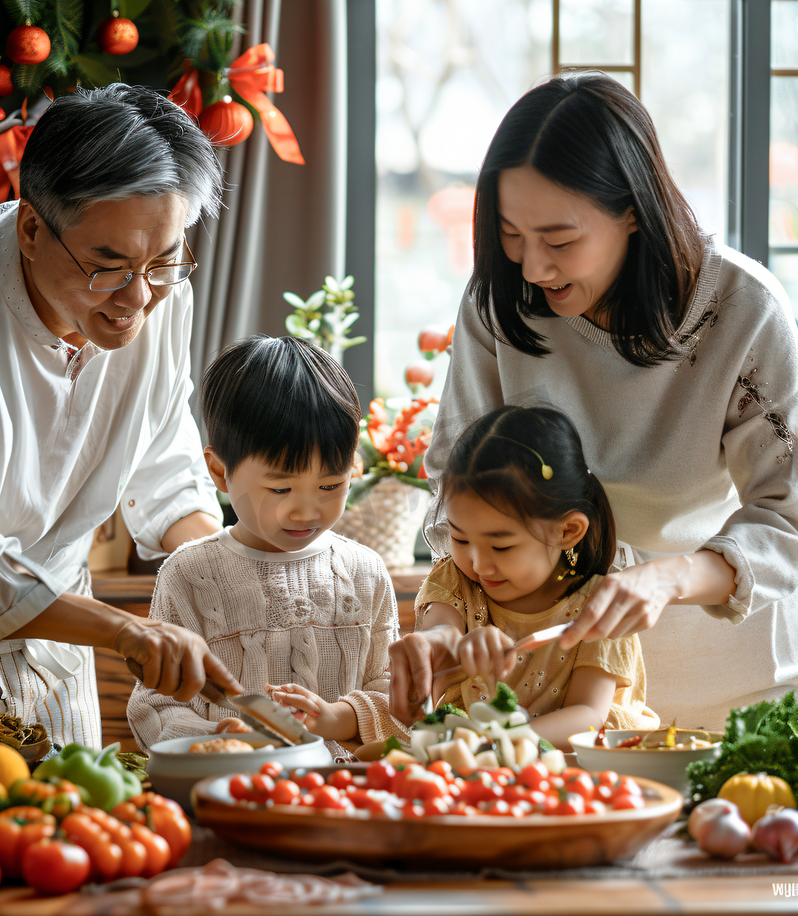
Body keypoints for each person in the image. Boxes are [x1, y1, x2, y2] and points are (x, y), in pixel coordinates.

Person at [390, 70, 798, 732]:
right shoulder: (500, 306)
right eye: (510, 235)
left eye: (558, 240)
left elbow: (789, 518)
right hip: (547, 698)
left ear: (633, 210)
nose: (532, 269)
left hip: (728, 688)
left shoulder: (742, 310)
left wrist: (668, 578)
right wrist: (441, 631)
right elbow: (456, 490)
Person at [0, 84, 243, 750]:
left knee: (77, 832)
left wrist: (224, 579)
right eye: (107, 267)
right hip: (70, 618)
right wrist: (124, 629)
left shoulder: (163, 299)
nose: (137, 299)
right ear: (30, 229)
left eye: (164, 262)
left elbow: (163, 465)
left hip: (59, 639)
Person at [127, 335, 407, 757]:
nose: (306, 511)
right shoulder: (189, 574)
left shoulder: (364, 571)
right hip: (232, 792)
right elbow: (155, 706)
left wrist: (339, 716)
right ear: (220, 473)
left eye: (331, 485)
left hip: (343, 797)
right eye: (281, 488)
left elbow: (396, 696)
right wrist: (214, 736)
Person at [390, 406, 658, 749]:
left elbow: (587, 715)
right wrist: (443, 645)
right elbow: (441, 631)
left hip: (579, 771)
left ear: (568, 531)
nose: (479, 564)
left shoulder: (602, 606)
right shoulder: (455, 579)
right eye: (460, 539)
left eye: (501, 546)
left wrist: (497, 744)